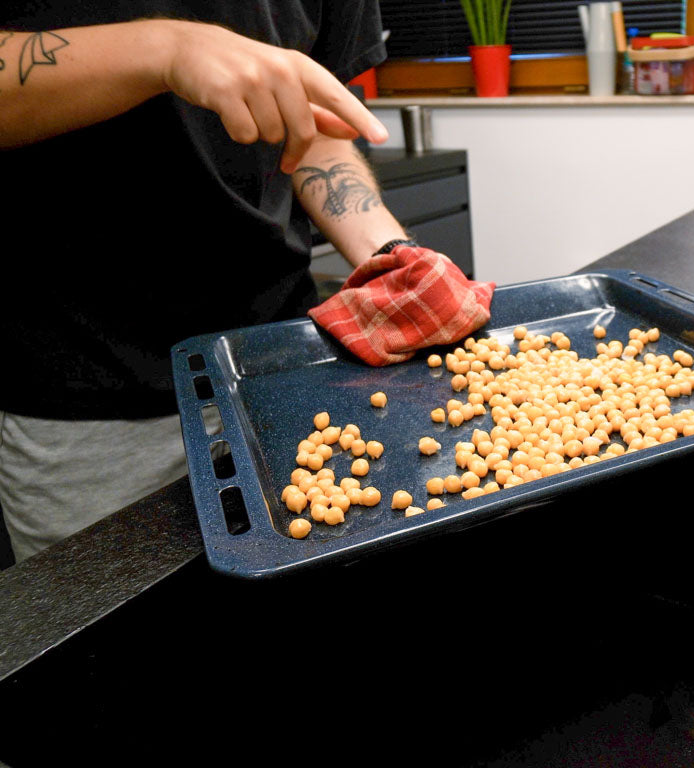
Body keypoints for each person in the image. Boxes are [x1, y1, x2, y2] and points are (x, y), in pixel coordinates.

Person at [0, 2, 416, 561]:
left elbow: (312, 128)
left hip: (283, 369)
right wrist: (165, 50)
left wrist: (392, 259)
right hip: (88, 397)